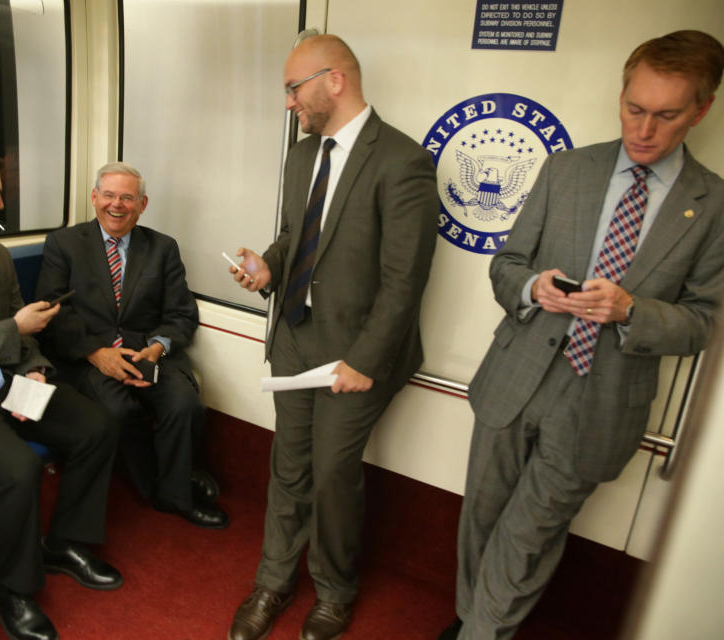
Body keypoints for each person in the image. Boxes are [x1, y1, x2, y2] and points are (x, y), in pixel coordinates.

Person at [440, 30, 724, 640]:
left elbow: (707, 322)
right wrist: (530, 288)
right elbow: (505, 264)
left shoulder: (714, 205)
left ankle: (479, 634)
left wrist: (630, 311)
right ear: (621, 95)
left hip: (601, 396)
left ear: (702, 110)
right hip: (515, 374)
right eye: (634, 108)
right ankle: (470, 618)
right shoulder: (566, 169)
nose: (644, 129)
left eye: (666, 115)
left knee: (529, 531)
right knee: (484, 515)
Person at [226, 34, 438, 640]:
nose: (288, 101)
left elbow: (406, 280)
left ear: (335, 81)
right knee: (288, 466)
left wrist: (366, 359)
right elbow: (296, 234)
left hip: (356, 348)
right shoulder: (301, 156)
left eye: (294, 87)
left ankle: (336, 591)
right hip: (294, 332)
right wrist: (268, 267)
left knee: (332, 476)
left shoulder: (402, 161)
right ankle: (273, 580)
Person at [0, 140, 122, 640]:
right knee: (17, 469)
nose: (1, 205)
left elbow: (24, 331)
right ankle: (11, 589)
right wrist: (15, 330)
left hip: (5, 381)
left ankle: (66, 542)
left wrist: (34, 367)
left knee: (97, 425)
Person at [35, 162, 229, 529]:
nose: (117, 205)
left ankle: (176, 499)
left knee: (184, 404)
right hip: (91, 357)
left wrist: (156, 348)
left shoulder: (163, 248)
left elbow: (181, 313)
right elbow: (53, 313)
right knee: (117, 411)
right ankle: (154, 488)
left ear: (143, 204)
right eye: (108, 195)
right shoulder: (64, 244)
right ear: (94, 198)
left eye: (127, 198)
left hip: (147, 354)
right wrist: (97, 353)